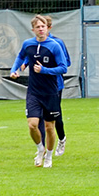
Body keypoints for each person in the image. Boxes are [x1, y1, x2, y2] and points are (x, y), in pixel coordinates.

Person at [10, 15, 67, 168]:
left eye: (43, 26)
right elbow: (20, 57)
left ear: (47, 28)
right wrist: (14, 69)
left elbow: (63, 67)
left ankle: (49, 156)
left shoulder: (54, 45)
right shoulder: (28, 44)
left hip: (51, 92)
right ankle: (40, 148)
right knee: (32, 125)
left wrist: (44, 70)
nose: (41, 29)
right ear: (33, 29)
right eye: (38, 27)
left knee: (49, 127)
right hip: (33, 91)